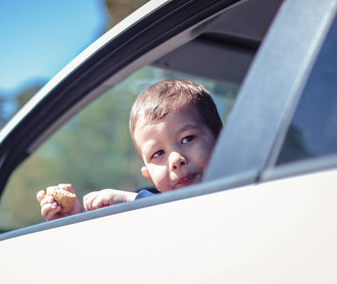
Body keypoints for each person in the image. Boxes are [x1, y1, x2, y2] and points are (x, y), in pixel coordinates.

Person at [37, 78, 223, 221]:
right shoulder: (157, 218)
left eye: (187, 138)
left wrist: (132, 202)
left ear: (220, 139)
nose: (175, 160)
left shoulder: (239, 189)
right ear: (148, 176)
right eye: (158, 153)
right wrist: (72, 221)